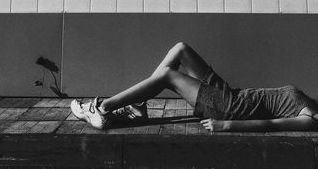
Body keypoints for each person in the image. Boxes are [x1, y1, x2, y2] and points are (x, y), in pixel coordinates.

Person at [70, 42, 318, 132]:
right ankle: (137, 107)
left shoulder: (314, 118)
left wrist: (226, 125)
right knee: (180, 49)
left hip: (231, 109)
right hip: (233, 95)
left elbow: (272, 124)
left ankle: (102, 109)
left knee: (168, 75)